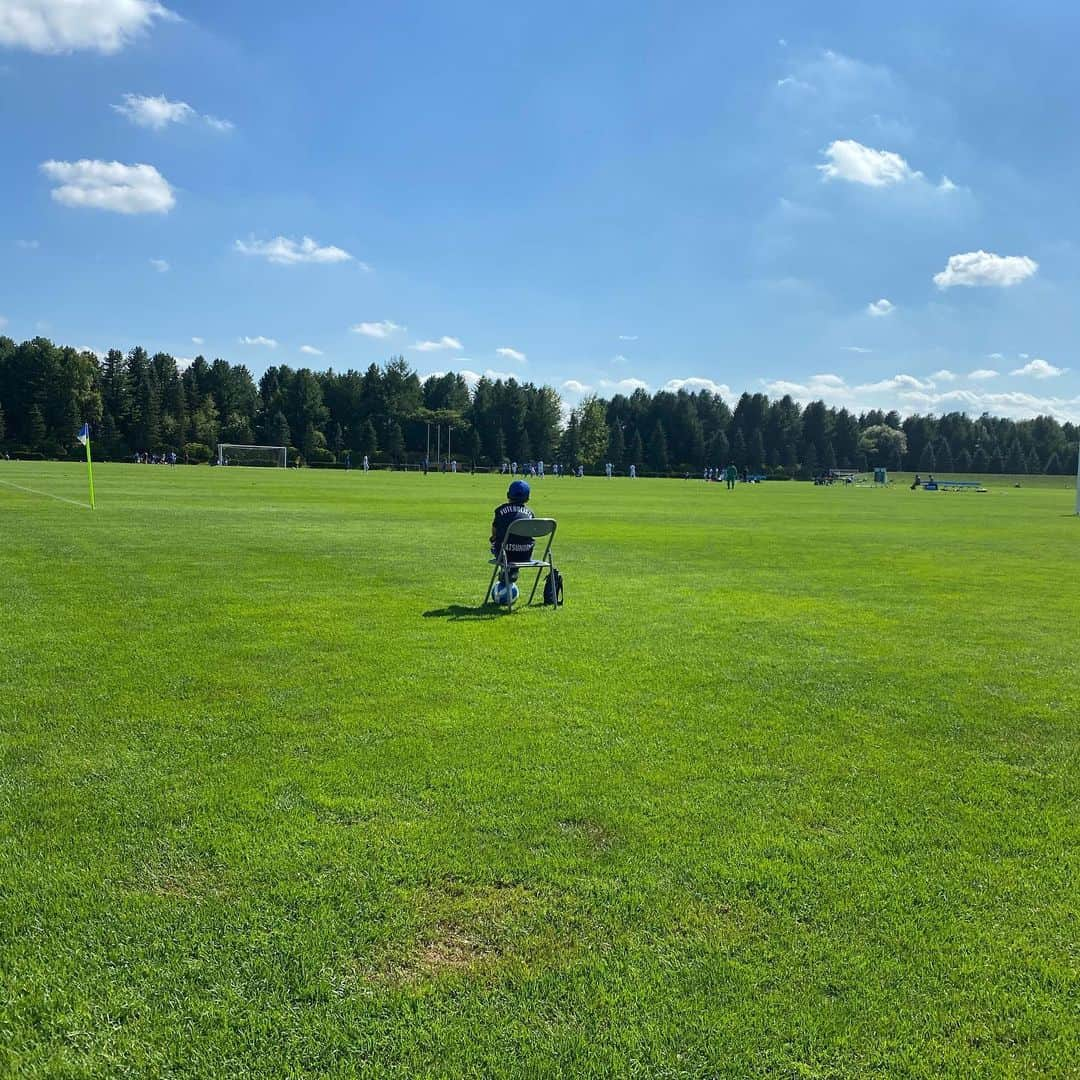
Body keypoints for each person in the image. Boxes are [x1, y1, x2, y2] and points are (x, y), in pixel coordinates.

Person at [490, 479, 536, 593]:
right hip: (525, 555)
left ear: (508, 495)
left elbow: (494, 531)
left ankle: (506, 569)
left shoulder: (500, 510)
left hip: (505, 554)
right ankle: (513, 570)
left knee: (495, 542)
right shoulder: (530, 513)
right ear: (528, 498)